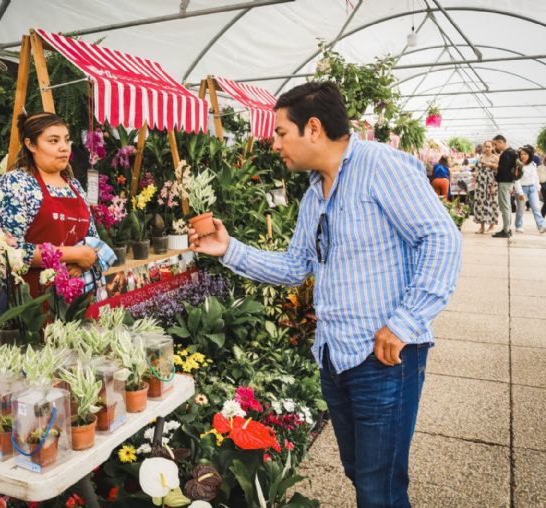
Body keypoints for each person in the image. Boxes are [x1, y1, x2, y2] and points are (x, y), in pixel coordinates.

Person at [189, 81, 462, 508]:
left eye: (281, 133)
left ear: (312, 128)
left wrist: (406, 322)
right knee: (363, 476)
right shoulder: (314, 193)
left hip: (384, 359)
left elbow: (441, 240)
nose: (275, 143)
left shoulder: (380, 166)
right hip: (336, 358)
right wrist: (228, 249)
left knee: (380, 490)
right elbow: (296, 266)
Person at [0, 112, 102, 297]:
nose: (64, 148)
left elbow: (93, 240)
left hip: (75, 300)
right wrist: (74, 255)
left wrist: (82, 261)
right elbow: (9, 251)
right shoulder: (16, 184)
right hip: (30, 303)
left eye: (66, 140)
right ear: (30, 144)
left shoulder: (73, 185)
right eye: (53, 141)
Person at [490, 134, 519, 237]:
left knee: (504, 206)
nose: (495, 147)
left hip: (504, 182)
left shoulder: (506, 154)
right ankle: (507, 229)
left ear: (501, 142)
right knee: (507, 206)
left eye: (495, 144)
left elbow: (503, 170)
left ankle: (506, 231)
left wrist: (496, 175)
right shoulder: (512, 152)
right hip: (509, 182)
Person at [513, 145, 546, 233]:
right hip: (521, 189)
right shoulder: (518, 165)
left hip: (532, 188)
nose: (523, 156)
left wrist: (538, 188)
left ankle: (541, 226)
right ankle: (518, 225)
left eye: (525, 154)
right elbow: (516, 180)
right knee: (520, 210)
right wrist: (520, 193)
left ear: (529, 155)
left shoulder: (533, 164)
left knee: (536, 208)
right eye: (521, 154)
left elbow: (535, 177)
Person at [473, 141, 500, 234]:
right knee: (480, 205)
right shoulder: (480, 157)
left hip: (491, 183)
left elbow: (498, 170)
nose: (487, 148)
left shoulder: (495, 157)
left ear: (492, 147)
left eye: (489, 147)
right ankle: (482, 227)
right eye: (486, 146)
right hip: (481, 184)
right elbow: (477, 168)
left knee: (492, 203)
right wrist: (476, 175)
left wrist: (491, 165)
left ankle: (492, 226)